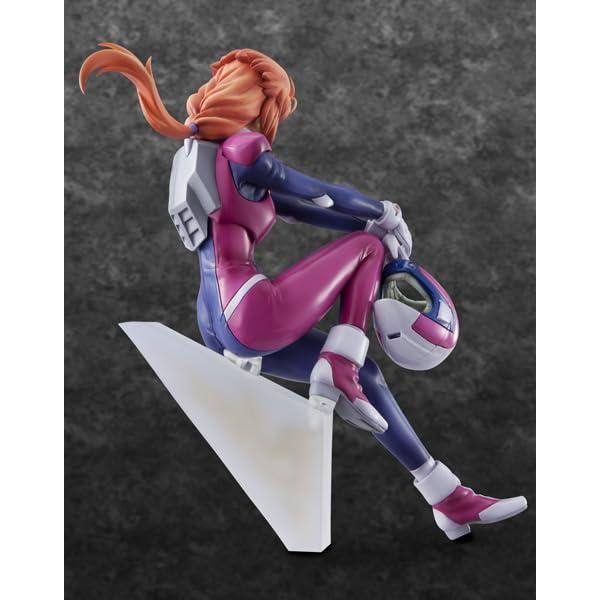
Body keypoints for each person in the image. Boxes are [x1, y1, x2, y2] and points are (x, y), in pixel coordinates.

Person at [79, 43, 527, 540]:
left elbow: (304, 209)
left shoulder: (203, 157)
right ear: (255, 99)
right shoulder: (244, 149)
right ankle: (339, 364)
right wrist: (381, 212)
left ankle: (446, 497)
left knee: (370, 374)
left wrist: (371, 223)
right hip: (247, 310)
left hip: (216, 321)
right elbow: (315, 189)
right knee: (364, 253)